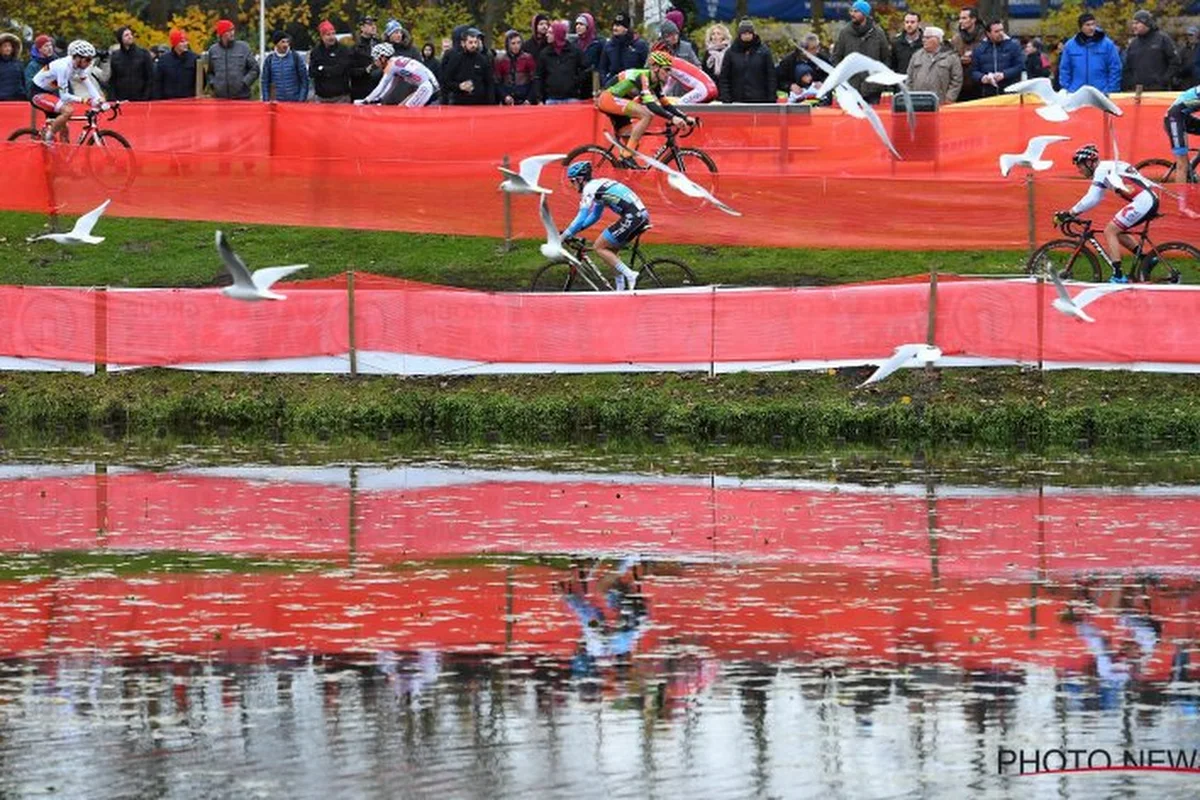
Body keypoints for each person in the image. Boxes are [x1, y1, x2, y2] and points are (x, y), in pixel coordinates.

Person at [1054, 144, 1160, 283]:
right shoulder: (1108, 167)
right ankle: (1146, 260)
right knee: (1118, 231)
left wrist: (1071, 213)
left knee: (1110, 231)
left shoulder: (1102, 169)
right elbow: (1096, 197)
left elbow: (1092, 198)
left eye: (1080, 166)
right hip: (1148, 199)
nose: (1079, 170)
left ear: (1089, 162)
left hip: (1143, 201)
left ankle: (1118, 276)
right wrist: (1073, 212)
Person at [560, 161, 649, 291]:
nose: (572, 185)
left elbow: (581, 217)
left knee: (599, 247)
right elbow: (595, 215)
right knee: (610, 252)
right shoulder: (598, 186)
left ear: (580, 179)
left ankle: (630, 275)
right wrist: (577, 230)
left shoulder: (589, 189)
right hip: (638, 216)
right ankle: (620, 289)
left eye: (572, 181)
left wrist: (564, 236)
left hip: (633, 217)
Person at [596, 51, 696, 163]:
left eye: (670, 70)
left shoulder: (655, 83)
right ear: (655, 68)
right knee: (646, 115)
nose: (668, 74)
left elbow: (666, 105)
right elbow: (651, 105)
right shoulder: (643, 77)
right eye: (666, 70)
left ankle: (623, 166)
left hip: (619, 101)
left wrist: (685, 117)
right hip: (608, 98)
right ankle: (626, 155)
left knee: (633, 143)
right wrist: (673, 118)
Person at [30, 40, 104, 143]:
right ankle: (48, 137)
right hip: (37, 93)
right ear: (77, 58)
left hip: (49, 93)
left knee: (65, 129)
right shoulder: (63, 67)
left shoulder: (77, 66)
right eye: (87, 60)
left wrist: (99, 99)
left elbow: (88, 84)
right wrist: (85, 100)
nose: (89, 63)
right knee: (68, 111)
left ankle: (63, 156)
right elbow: (64, 96)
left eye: (91, 60)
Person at [356, 42, 439, 107]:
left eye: (375, 59)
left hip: (427, 86)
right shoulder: (395, 62)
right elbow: (392, 85)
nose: (375, 62)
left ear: (383, 58)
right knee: (401, 108)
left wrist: (366, 100)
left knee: (407, 112)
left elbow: (381, 86)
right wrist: (380, 99)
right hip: (428, 84)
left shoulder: (390, 66)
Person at [1058, 12, 1121, 94]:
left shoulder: (1107, 44)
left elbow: (1115, 68)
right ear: (1081, 27)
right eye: (1087, 25)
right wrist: (1067, 89)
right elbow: (1065, 69)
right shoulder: (1070, 46)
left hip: (1101, 92)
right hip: (1076, 92)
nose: (1091, 28)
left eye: (1093, 24)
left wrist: (1111, 89)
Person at [260, 31, 309, 102]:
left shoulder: (296, 57)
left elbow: (304, 80)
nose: (286, 44)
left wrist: (301, 100)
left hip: (294, 102)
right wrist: (266, 101)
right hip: (276, 104)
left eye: (287, 42)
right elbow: (265, 82)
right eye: (282, 42)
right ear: (276, 43)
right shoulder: (269, 60)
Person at [107, 26, 153, 101]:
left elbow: (150, 78)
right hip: (121, 99)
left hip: (140, 99)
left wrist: (145, 97)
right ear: (120, 39)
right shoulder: (115, 56)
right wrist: (112, 98)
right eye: (126, 35)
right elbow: (113, 79)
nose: (130, 37)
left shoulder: (143, 54)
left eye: (130, 34)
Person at [1165, 86, 1200, 183]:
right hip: (1174, 118)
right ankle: (1180, 197)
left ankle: (1192, 168)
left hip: (1184, 117)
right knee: (1182, 165)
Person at [152, 28, 199, 99]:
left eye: (186, 41)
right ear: (175, 44)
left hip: (189, 99)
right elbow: (158, 81)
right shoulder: (164, 60)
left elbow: (201, 80)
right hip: (168, 100)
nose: (185, 44)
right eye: (182, 42)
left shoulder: (195, 58)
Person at [0, 32, 23, 101]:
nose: (8, 48)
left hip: (18, 100)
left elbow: (23, 82)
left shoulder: (18, 63)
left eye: (9, 46)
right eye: (5, 46)